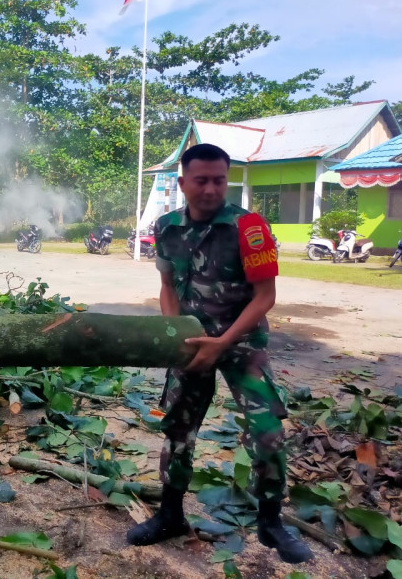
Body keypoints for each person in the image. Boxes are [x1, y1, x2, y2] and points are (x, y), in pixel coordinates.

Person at [127, 143, 313, 564]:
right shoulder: (167, 226)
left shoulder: (249, 228)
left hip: (242, 345)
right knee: (177, 431)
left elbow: (265, 297)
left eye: (219, 180)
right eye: (201, 180)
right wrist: (176, 336)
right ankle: (170, 515)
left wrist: (223, 342)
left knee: (267, 432)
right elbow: (168, 287)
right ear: (182, 183)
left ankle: (271, 524)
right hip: (191, 346)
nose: (211, 189)